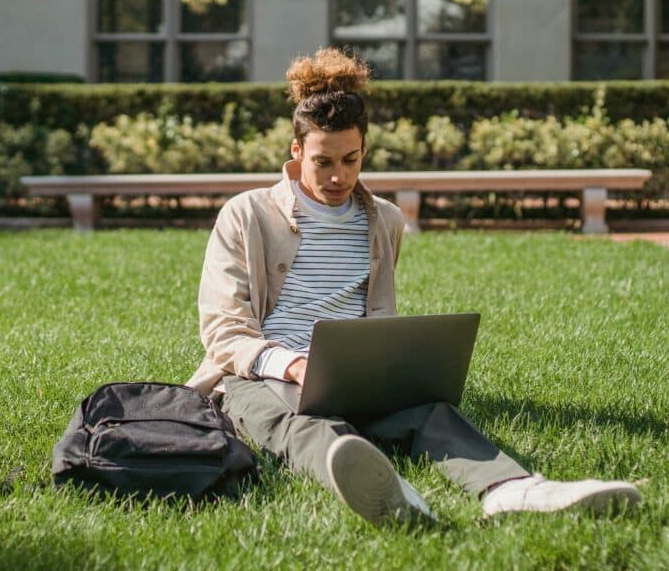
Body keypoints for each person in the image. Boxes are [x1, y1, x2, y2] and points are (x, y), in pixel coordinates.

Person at [185, 48, 641, 526]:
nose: (339, 176)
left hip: (352, 377)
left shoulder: (383, 220)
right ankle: (392, 494)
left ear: (365, 150)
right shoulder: (248, 214)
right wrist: (292, 363)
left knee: (432, 414)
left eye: (351, 159)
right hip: (256, 374)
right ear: (297, 152)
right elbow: (223, 331)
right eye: (323, 162)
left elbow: (376, 316)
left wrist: (386, 371)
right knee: (299, 424)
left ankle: (514, 488)